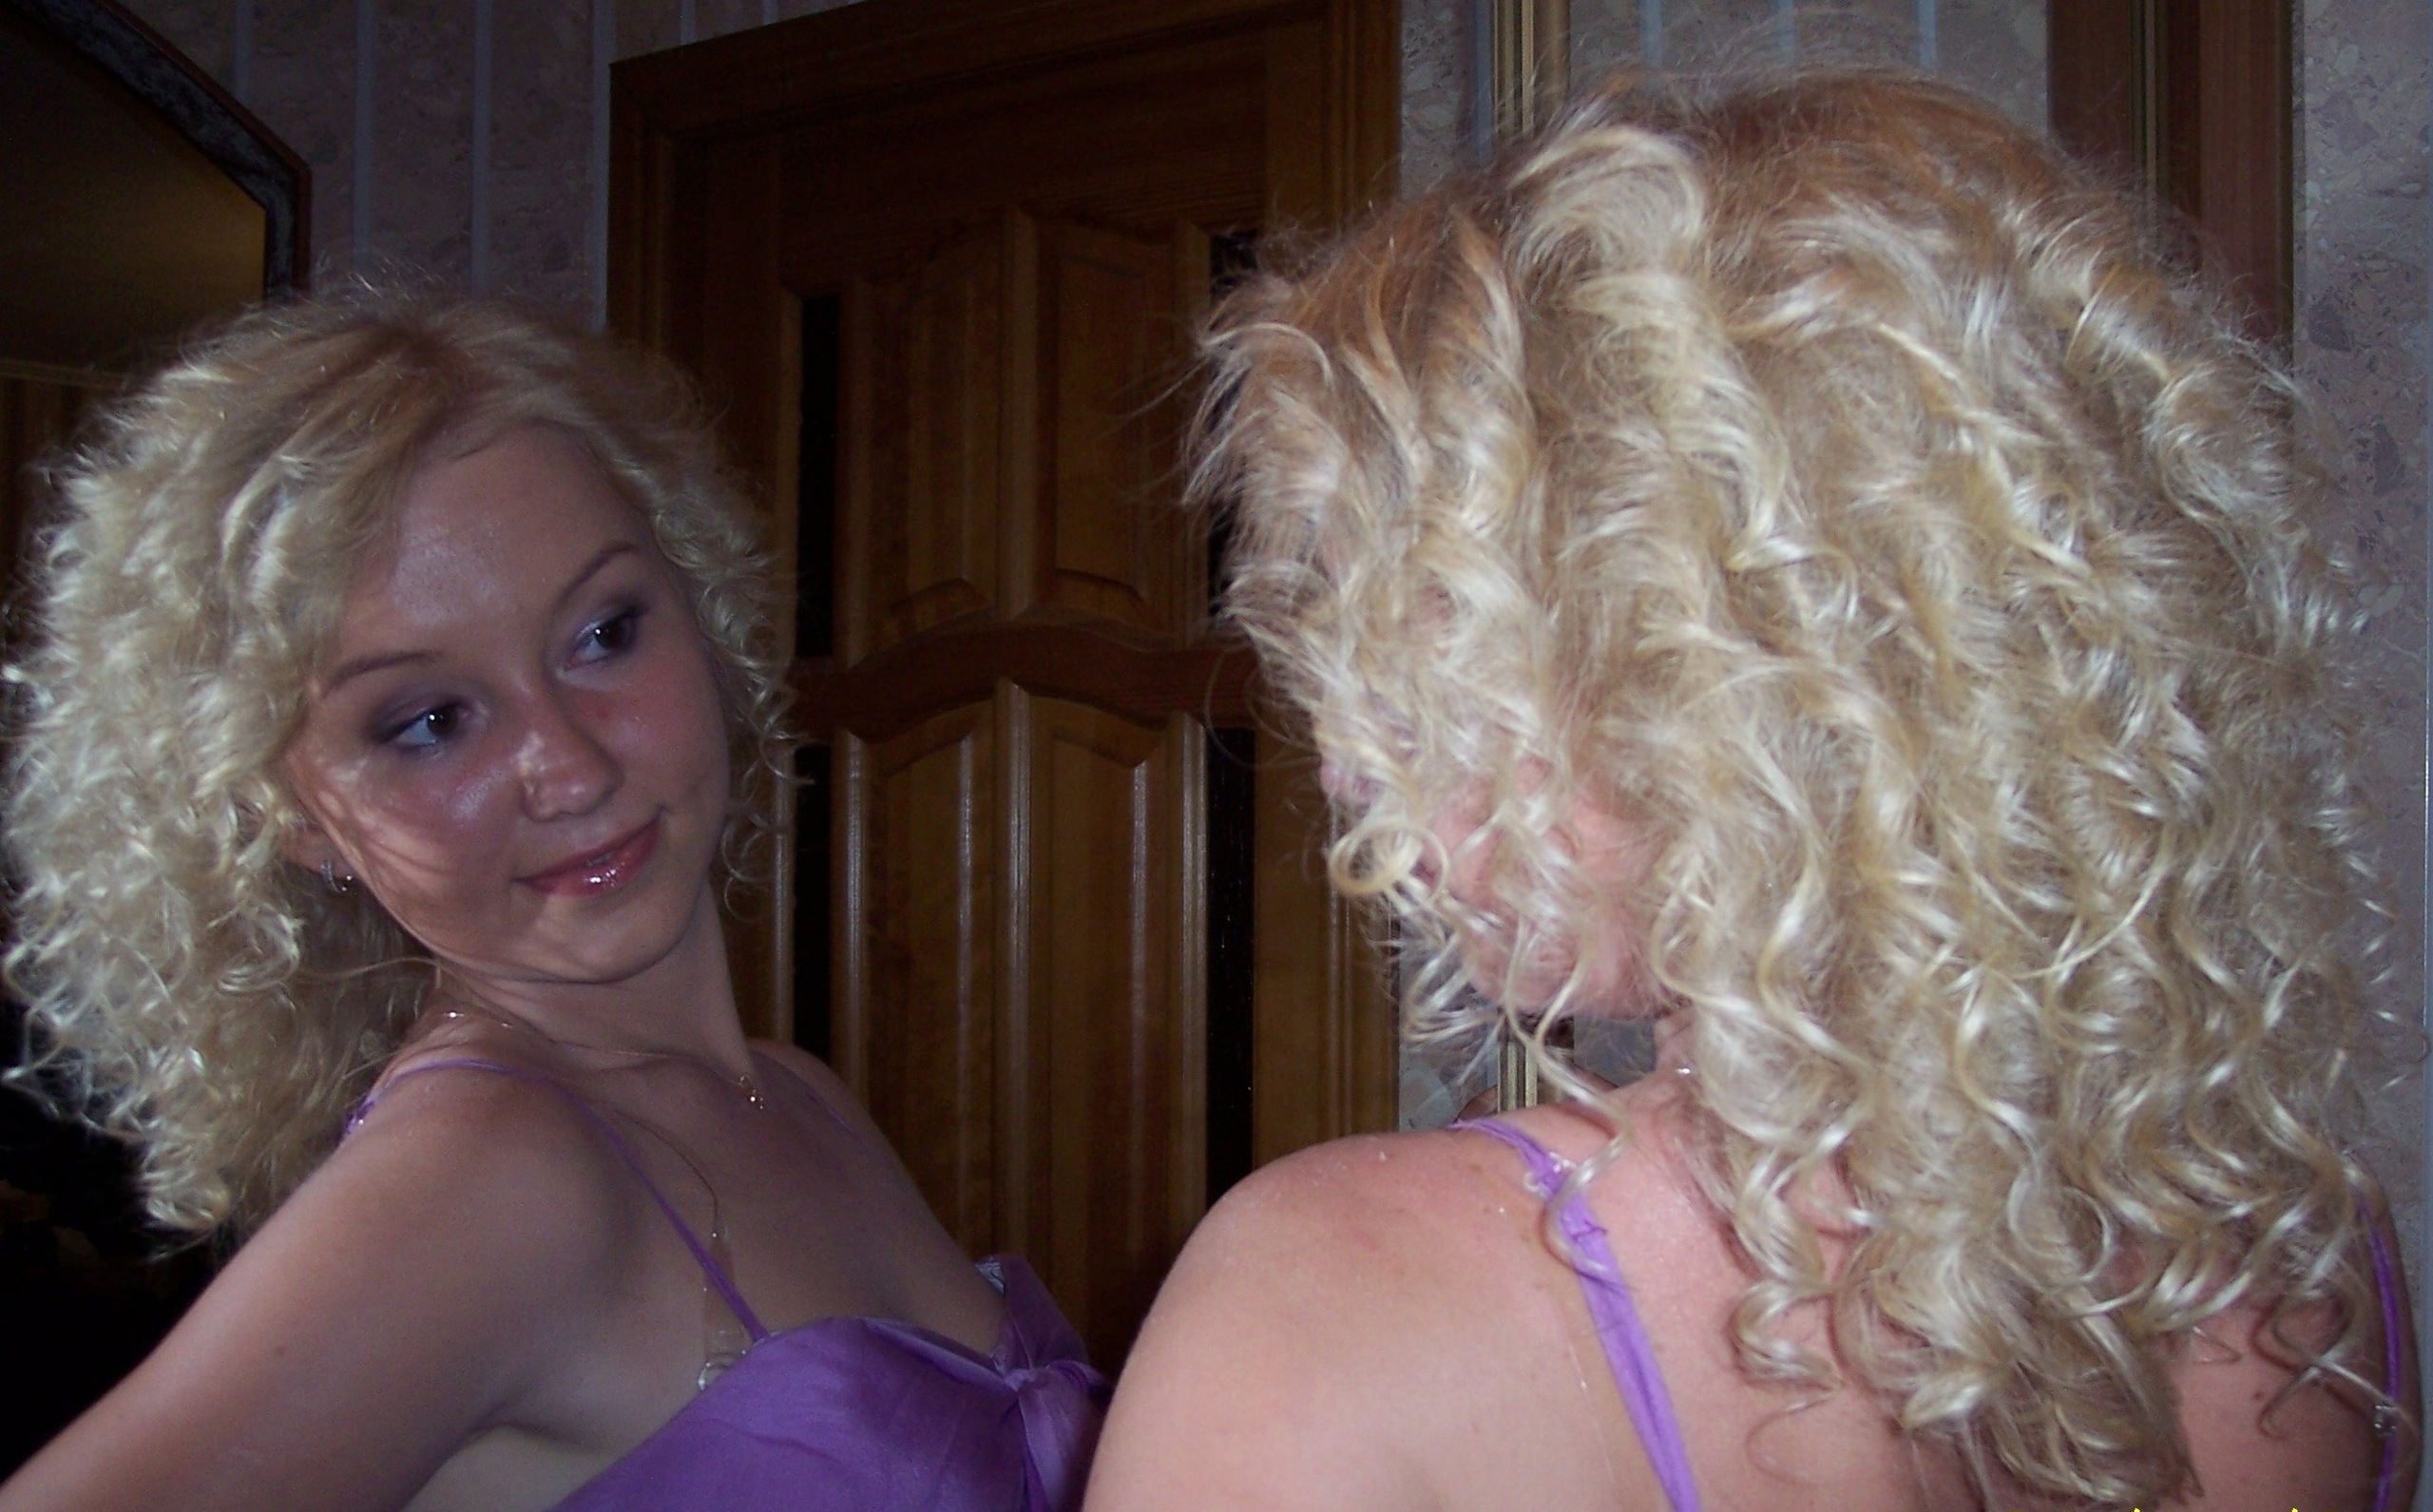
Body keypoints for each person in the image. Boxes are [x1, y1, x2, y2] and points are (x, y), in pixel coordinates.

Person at [1087, 71, 2421, 1512]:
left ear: (1752, 673)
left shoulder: (1324, 1304)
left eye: (1441, 667)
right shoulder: (2311, 1267)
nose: (1348, 767)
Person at [0, 298, 1104, 1511]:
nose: (571, 767)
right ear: (294, 813)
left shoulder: (794, 1094)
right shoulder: (490, 1174)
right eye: (430, 720)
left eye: (603, 632)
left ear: (701, 607)